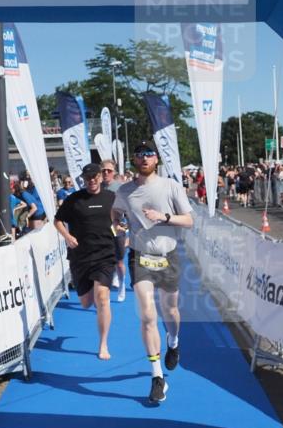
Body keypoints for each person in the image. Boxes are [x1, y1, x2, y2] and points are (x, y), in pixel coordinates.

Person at [111, 141, 194, 404]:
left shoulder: (171, 186)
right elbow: (115, 213)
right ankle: (157, 377)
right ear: (134, 161)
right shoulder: (125, 190)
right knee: (147, 315)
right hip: (140, 256)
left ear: (156, 159)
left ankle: (173, 340)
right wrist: (118, 224)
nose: (145, 158)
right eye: (140, 155)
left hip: (167, 256)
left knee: (170, 312)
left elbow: (190, 221)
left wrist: (164, 217)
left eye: (149, 154)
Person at [55, 163, 117, 360]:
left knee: (103, 297)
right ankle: (91, 298)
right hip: (80, 257)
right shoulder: (74, 199)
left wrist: (122, 227)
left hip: (105, 255)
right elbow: (57, 220)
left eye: (95, 177)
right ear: (83, 179)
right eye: (87, 177)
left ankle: (103, 344)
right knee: (85, 302)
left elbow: (122, 216)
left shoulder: (111, 198)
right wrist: (66, 236)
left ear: (100, 177)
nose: (91, 180)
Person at [100, 159, 127, 302]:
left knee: (119, 262)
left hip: (117, 228)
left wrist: (127, 227)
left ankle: (122, 284)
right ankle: (106, 290)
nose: (106, 173)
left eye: (109, 170)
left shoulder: (121, 188)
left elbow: (129, 209)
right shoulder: (97, 187)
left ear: (114, 172)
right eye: (103, 170)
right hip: (101, 230)